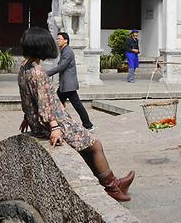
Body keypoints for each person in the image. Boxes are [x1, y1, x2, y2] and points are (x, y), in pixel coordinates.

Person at [18, 28, 135, 201]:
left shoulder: (24, 68)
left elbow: (28, 98)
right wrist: (55, 127)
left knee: (86, 147)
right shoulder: (38, 72)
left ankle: (114, 183)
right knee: (95, 145)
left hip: (40, 121)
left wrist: (28, 117)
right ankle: (112, 187)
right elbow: (43, 103)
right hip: (53, 122)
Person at [46, 32, 94, 130]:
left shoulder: (67, 51)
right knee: (57, 104)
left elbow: (62, 66)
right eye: (57, 39)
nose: (57, 41)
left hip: (68, 86)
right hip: (65, 85)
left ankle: (87, 125)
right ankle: (61, 123)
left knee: (74, 105)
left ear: (66, 40)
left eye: (59, 39)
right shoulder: (64, 50)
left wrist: (46, 73)